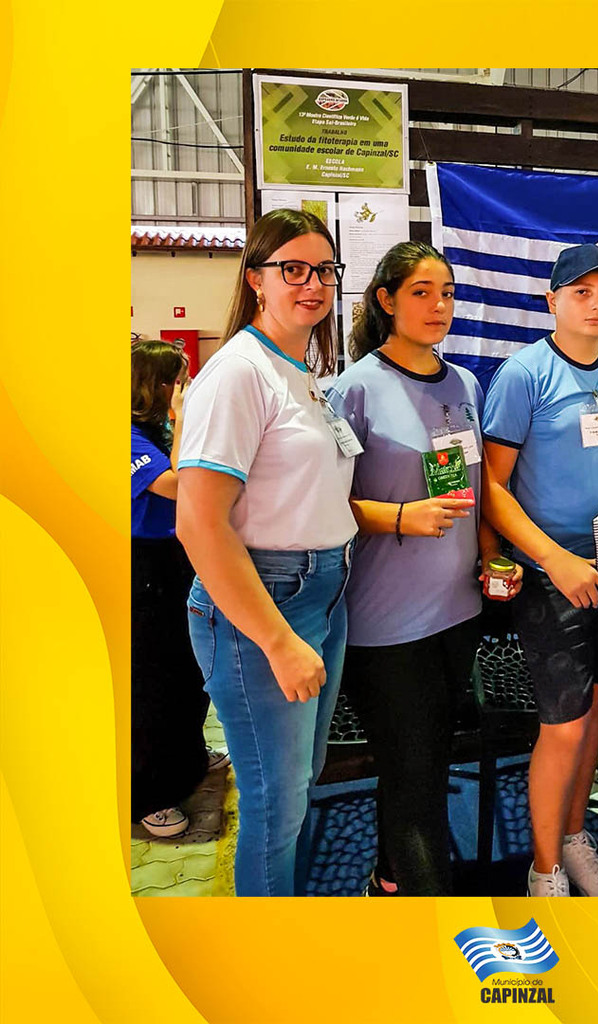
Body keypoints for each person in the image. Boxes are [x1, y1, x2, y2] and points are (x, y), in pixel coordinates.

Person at [327, 241, 520, 896]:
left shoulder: (465, 383)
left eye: (447, 292)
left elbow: (478, 488)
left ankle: (389, 875)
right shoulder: (353, 391)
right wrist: (403, 516)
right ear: (385, 301)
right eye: (420, 292)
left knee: (429, 758)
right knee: (415, 772)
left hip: (458, 611)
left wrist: (493, 555)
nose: (439, 305)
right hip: (386, 624)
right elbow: (321, 507)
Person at [176, 209, 358, 896]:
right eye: (293, 269)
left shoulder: (299, 369)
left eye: (324, 271)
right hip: (269, 602)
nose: (312, 284)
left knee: (296, 788)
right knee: (274, 808)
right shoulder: (239, 372)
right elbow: (199, 524)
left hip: (321, 592)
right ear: (257, 279)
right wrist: (279, 642)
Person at [482, 243, 598, 897]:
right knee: (565, 723)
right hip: (554, 573)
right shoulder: (524, 375)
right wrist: (552, 560)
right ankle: (545, 868)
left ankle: (577, 839)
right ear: (552, 301)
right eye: (581, 293)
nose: (597, 304)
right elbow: (492, 488)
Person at [131, 341, 230, 839]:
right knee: (153, 685)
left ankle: (188, 759)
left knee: (189, 670)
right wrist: (182, 416)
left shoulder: (156, 430)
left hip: (177, 561)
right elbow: (178, 483)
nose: (184, 390)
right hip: (144, 568)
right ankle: (150, 794)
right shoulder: (127, 439)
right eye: (178, 381)